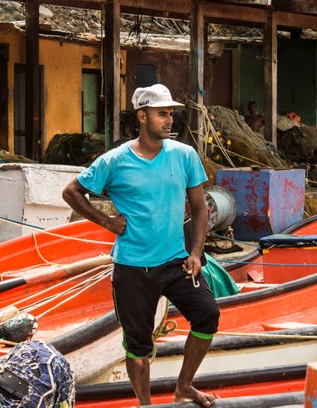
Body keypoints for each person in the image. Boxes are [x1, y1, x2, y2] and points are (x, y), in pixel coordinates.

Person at [62, 84, 218, 407]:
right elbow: (72, 192)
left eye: (171, 114)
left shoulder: (184, 155)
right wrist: (106, 222)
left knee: (208, 314)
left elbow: (201, 207)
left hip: (176, 262)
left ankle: (184, 386)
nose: (170, 120)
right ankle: (145, 405)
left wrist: (196, 254)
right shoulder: (115, 161)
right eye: (163, 114)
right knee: (137, 350)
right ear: (142, 116)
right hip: (132, 267)